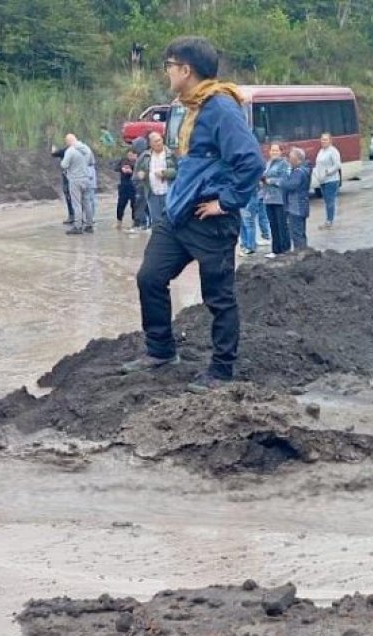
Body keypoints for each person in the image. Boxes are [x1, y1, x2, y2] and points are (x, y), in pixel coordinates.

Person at [121, 36, 265, 392]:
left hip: (210, 218)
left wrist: (225, 202)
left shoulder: (220, 108)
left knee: (218, 297)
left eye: (169, 66)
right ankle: (160, 350)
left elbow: (251, 161)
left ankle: (221, 370)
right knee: (150, 277)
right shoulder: (188, 107)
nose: (167, 72)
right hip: (178, 213)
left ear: (186, 70)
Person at [138, 131, 174, 233]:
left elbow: (180, 171)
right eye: (155, 141)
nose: (158, 143)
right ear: (150, 144)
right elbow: (138, 171)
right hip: (152, 192)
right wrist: (141, 174)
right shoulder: (145, 156)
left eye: (159, 140)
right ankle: (158, 238)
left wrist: (165, 173)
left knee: (170, 218)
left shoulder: (171, 154)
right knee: (156, 220)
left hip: (169, 192)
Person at [61, 134, 98, 234]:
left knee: (76, 203)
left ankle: (78, 226)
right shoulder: (87, 148)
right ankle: (89, 225)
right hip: (86, 178)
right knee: (87, 202)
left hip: (75, 179)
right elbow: (91, 162)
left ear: (68, 141)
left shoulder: (70, 151)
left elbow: (64, 165)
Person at [262, 143, 290, 258]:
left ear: (281, 152)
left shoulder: (284, 164)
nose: (274, 152)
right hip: (268, 199)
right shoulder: (268, 163)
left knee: (281, 225)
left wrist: (270, 181)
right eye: (272, 150)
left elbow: (285, 180)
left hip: (279, 199)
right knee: (273, 225)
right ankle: (275, 250)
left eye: (276, 150)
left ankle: (285, 250)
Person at [283, 147, 312, 252]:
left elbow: (290, 186)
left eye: (291, 158)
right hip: (301, 206)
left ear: (298, 160)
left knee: (297, 234)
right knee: (300, 233)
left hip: (297, 207)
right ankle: (304, 253)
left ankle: (300, 254)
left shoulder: (298, 172)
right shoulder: (302, 170)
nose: (289, 160)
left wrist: (281, 182)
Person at [311, 133, 341, 227]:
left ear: (330, 141)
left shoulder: (333, 151)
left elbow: (337, 165)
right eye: (322, 139)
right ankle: (328, 219)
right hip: (322, 180)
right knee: (326, 201)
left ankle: (329, 221)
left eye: (325, 139)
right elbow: (318, 164)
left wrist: (328, 171)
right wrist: (316, 173)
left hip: (331, 180)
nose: (323, 141)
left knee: (330, 201)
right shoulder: (321, 151)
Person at [51, 143, 77, 226]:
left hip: (68, 176)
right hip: (78, 176)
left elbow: (54, 154)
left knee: (69, 196)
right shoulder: (79, 150)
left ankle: (72, 216)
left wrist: (53, 147)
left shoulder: (66, 151)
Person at [115, 148, 139, 230]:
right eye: (129, 155)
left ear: (136, 155)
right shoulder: (123, 160)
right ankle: (119, 222)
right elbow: (116, 167)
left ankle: (134, 222)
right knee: (121, 205)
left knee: (134, 205)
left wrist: (132, 171)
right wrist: (122, 169)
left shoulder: (138, 162)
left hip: (134, 187)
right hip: (124, 186)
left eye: (132, 155)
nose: (130, 157)